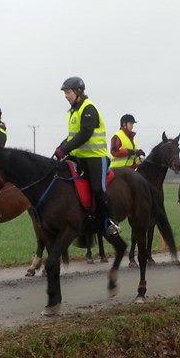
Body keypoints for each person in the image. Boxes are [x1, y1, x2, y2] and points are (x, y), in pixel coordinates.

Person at [52, 76, 120, 237]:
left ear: (78, 91)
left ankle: (109, 221)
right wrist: (61, 147)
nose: (66, 96)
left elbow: (85, 134)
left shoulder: (88, 108)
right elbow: (72, 136)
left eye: (68, 92)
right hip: (78, 157)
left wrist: (66, 148)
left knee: (98, 188)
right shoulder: (73, 112)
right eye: (65, 93)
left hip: (96, 158)